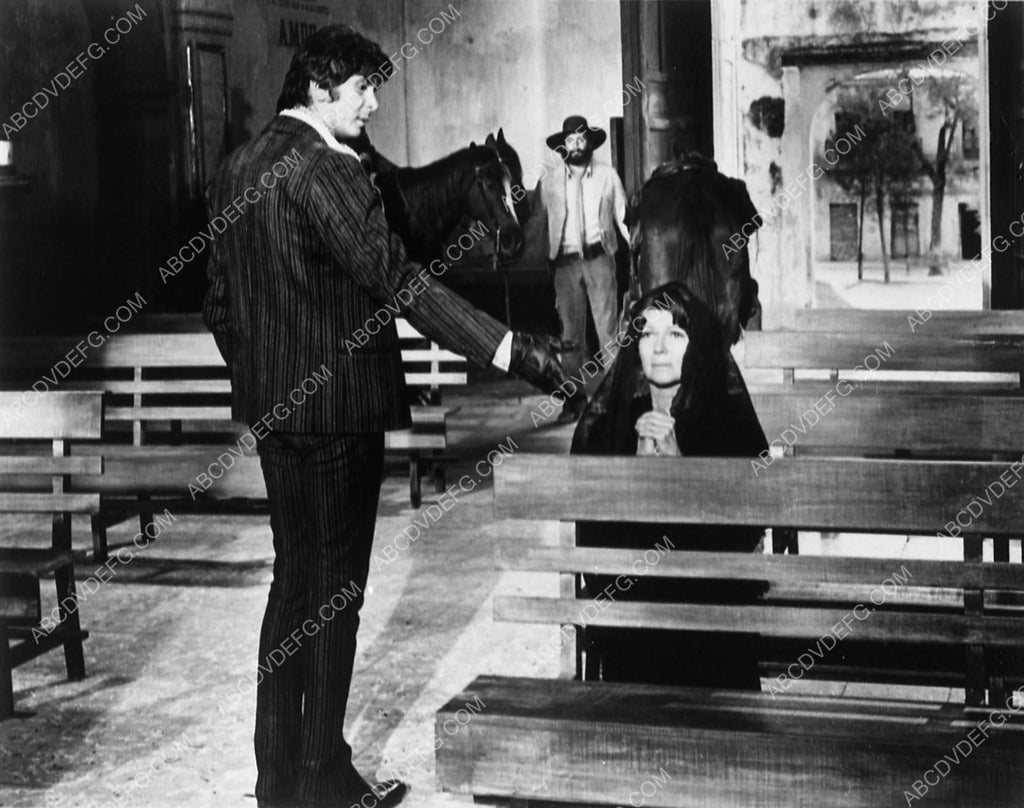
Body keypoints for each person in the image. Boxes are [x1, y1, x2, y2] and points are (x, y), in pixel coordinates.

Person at [203, 25, 571, 808]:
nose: (373, 103)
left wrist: (266, 381)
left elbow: (220, 305)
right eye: (364, 87)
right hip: (340, 412)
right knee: (335, 593)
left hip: (276, 414)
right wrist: (512, 349)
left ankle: (278, 780)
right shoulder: (330, 169)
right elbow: (400, 280)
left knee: (293, 584)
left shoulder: (237, 166)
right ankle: (323, 779)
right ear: (318, 87)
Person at [571, 281, 767, 688]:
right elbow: (595, 552)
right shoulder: (611, 423)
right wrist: (635, 480)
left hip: (710, 621)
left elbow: (740, 541)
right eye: (647, 334)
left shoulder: (723, 418)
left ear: (698, 344)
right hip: (632, 620)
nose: (659, 348)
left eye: (675, 334)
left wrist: (679, 470)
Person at [537, 115, 630, 421]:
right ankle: (574, 401)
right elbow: (539, 225)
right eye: (570, 140)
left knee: (608, 333)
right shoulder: (549, 182)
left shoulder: (607, 175)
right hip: (564, 266)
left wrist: (637, 250)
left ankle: (615, 400)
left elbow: (623, 218)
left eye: (581, 139)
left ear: (589, 142)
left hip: (599, 260)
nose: (576, 145)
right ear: (563, 145)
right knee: (570, 337)